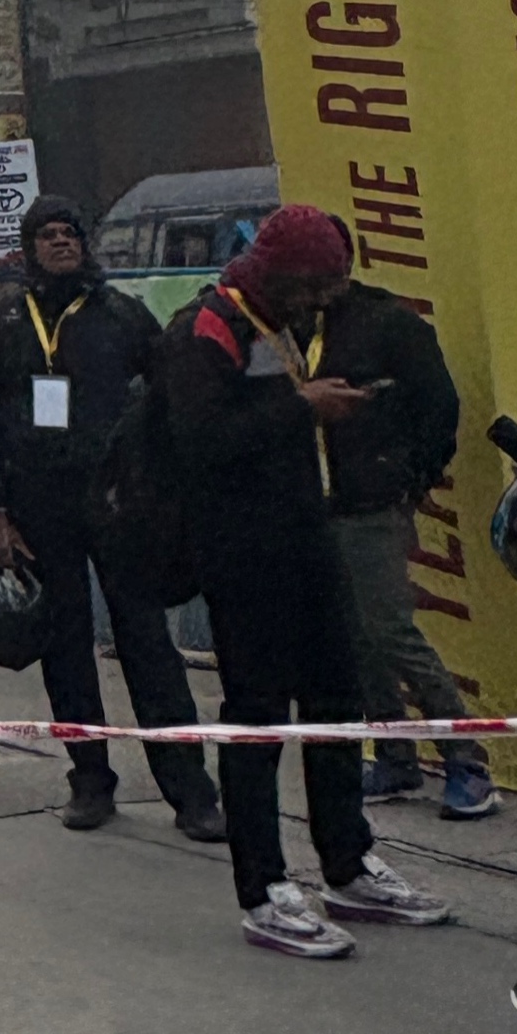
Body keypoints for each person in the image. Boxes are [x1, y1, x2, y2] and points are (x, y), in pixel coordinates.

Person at [160, 206, 448, 958]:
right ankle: (263, 889)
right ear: (277, 274)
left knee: (335, 701)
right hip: (241, 551)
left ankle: (347, 862)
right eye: (313, 285)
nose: (322, 300)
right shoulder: (207, 329)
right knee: (257, 717)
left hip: (307, 534)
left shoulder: (283, 324)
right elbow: (201, 441)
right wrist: (302, 407)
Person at [0, 196, 222, 840]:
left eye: (71, 233)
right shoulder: (3, 326)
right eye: (48, 235)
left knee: (147, 643)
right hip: (39, 511)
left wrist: (166, 489)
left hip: (118, 505)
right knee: (65, 646)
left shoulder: (122, 317)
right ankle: (89, 779)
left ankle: (191, 792)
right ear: (30, 250)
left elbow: (166, 398)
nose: (61, 242)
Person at [318, 253, 490, 817]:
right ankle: (394, 754)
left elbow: (439, 406)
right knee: (354, 637)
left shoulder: (387, 322)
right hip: (318, 504)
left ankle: (468, 761)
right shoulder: (290, 324)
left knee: (390, 629)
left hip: (373, 501)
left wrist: (411, 477)